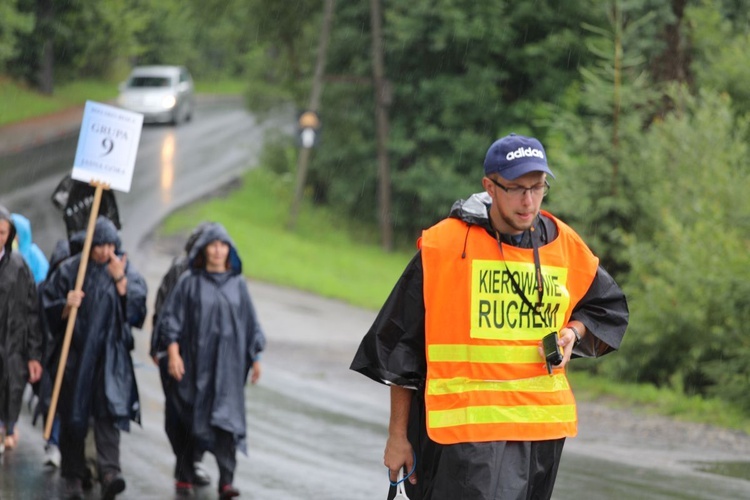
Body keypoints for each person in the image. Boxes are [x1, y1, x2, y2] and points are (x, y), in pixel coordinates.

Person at [350, 133, 629, 500]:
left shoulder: (563, 244)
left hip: (539, 436)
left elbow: (606, 308)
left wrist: (573, 333)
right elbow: (401, 347)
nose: (528, 201)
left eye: (538, 187)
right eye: (515, 188)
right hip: (464, 440)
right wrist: (398, 436)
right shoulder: (446, 246)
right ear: (490, 187)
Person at [154, 222, 265, 499]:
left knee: (226, 423)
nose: (218, 250)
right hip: (194, 367)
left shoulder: (238, 285)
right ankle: (184, 472)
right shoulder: (189, 283)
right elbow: (171, 321)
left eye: (223, 245)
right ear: (204, 250)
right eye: (213, 245)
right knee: (188, 418)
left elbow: (251, 325)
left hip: (227, 369)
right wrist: (174, 354)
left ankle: (226, 481)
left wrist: (257, 358)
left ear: (230, 251)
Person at [42, 216, 147, 500]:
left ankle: (110, 471)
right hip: (74, 356)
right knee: (74, 417)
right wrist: (65, 306)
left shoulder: (123, 269)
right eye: (99, 244)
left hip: (109, 358)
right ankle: (74, 476)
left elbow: (137, 312)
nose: (104, 251)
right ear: (90, 245)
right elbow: (47, 303)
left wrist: (121, 281)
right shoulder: (71, 270)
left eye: (110, 244)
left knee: (107, 415)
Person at [149, 222, 212, 487]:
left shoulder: (219, 275)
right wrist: (158, 346)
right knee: (177, 412)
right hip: (175, 353)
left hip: (205, 357)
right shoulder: (180, 271)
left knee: (202, 412)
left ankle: (190, 463)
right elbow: (163, 308)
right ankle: (185, 462)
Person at [0, 206, 43, 454]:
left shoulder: (19, 266)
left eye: (3, 232)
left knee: (11, 389)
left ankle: (9, 426)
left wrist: (34, 354)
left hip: (13, 345)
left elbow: (31, 312)